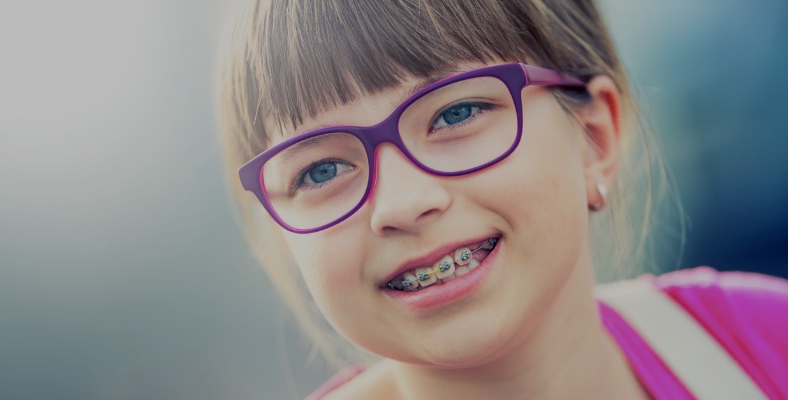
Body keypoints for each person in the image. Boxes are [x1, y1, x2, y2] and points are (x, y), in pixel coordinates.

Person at [217, 1, 788, 398]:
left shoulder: (766, 346)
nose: (401, 203)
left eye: (456, 113)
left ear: (595, 136)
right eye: (320, 170)